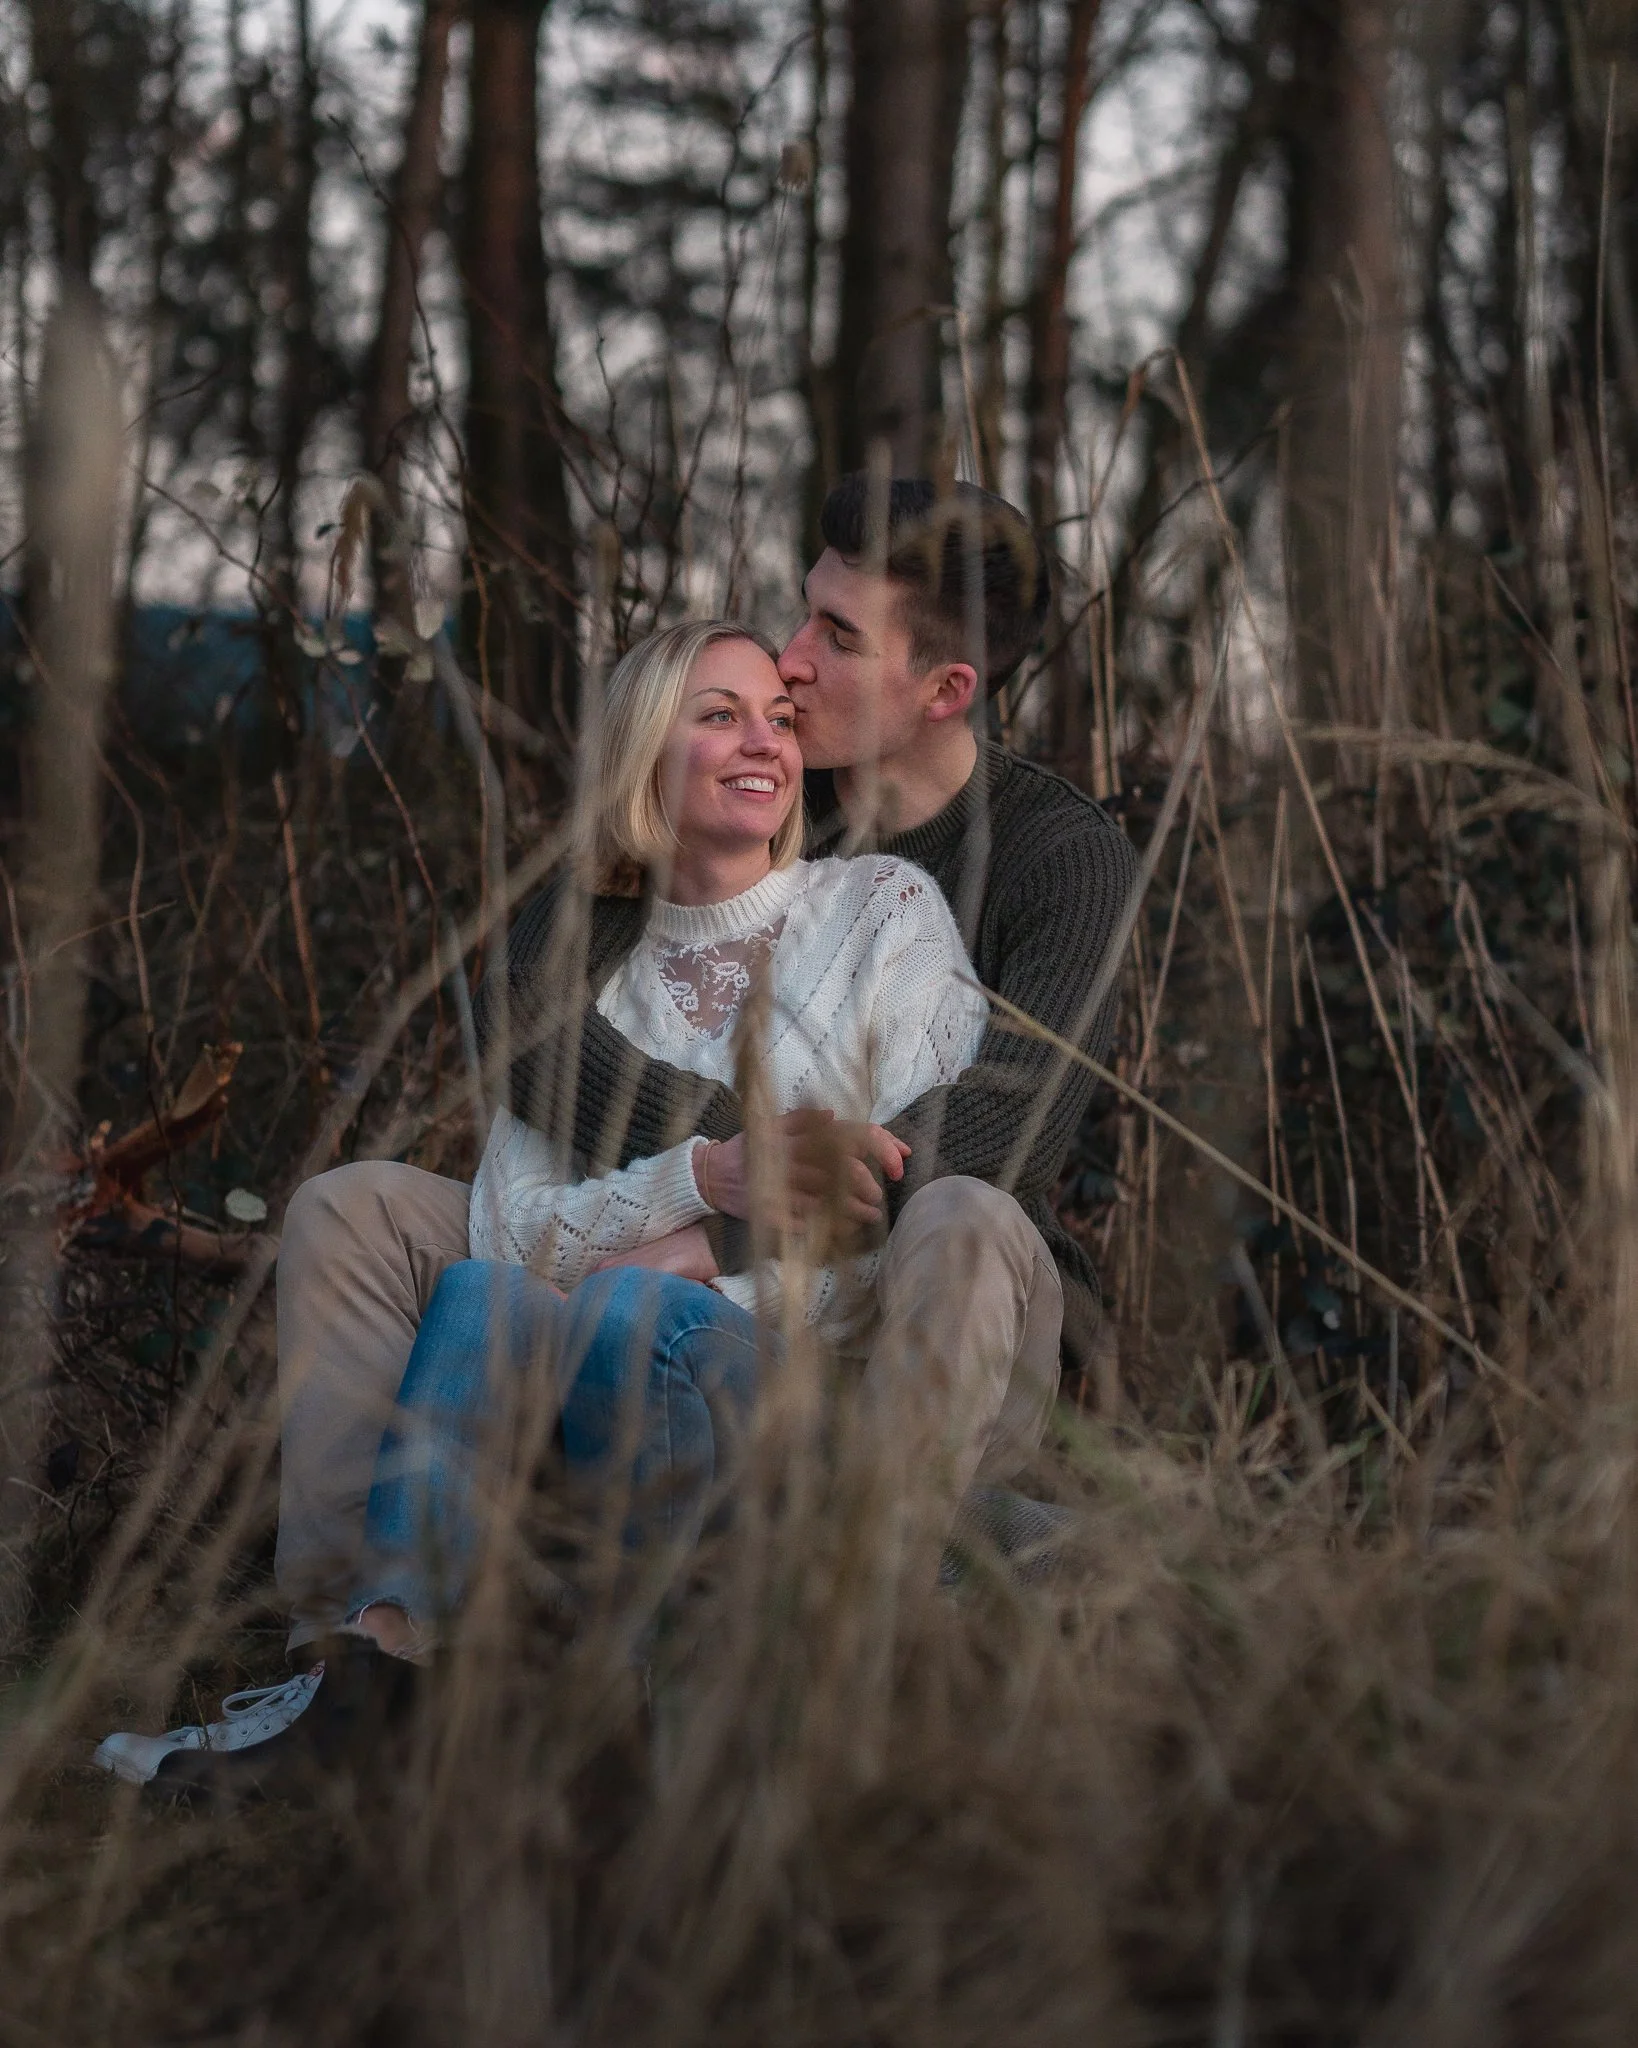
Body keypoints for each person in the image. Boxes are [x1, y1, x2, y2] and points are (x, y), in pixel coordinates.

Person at [95, 475, 1136, 1795]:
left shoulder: (1051, 856)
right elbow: (526, 1027)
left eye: (839, 642)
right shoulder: (723, 784)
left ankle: (855, 1629)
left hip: (905, 1306)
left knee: (963, 1213)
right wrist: (714, 1164)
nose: (795, 663)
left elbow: (995, 1127)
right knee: (356, 1205)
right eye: (800, 616)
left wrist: (717, 1220)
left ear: (945, 691)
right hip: (647, 1251)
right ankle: (356, 1660)